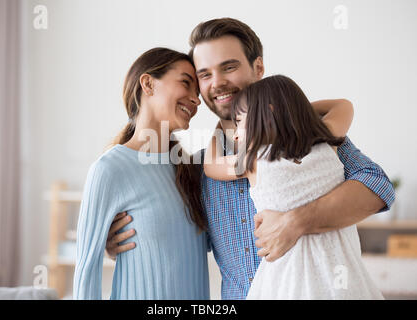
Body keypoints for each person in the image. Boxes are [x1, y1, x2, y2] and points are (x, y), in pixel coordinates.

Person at [106, 18, 395, 300]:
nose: (217, 83)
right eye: (204, 74)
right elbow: (180, 238)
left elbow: (377, 186)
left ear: (258, 68)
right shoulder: (198, 168)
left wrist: (296, 222)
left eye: (229, 67)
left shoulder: (305, 137)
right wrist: (120, 241)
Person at [203, 74, 384, 299]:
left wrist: (219, 130)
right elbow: (343, 105)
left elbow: (210, 166)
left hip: (287, 284)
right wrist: (292, 111)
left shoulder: (252, 161)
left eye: (239, 122)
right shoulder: (327, 139)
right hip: (342, 281)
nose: (237, 134)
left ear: (268, 114)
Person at [73, 47, 210, 299]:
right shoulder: (109, 170)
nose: (196, 99)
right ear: (148, 83)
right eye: (186, 83)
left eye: (197, 92)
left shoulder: (194, 170)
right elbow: (86, 270)